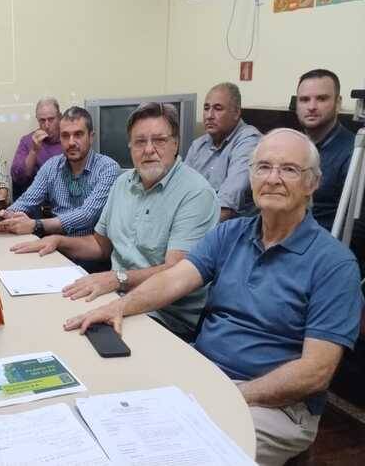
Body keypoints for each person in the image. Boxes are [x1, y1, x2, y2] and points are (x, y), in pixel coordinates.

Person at [65, 129, 363, 466]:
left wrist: (231, 396)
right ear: (251, 176)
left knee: (172, 452)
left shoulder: (335, 264)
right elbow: (173, 280)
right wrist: (118, 306)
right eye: (263, 167)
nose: (273, 179)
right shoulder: (230, 234)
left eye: (289, 169)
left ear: (313, 183)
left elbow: (315, 371)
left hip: (275, 405)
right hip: (206, 374)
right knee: (109, 406)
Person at [13, 103, 218, 340]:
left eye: (159, 140)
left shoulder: (195, 193)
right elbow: (101, 244)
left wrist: (117, 279)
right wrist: (58, 240)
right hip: (114, 298)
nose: (149, 150)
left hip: (163, 317)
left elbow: (176, 272)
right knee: (45, 323)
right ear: (130, 146)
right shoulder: (123, 184)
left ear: (176, 143)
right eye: (140, 141)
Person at [0, 106, 121, 238]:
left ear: (91, 137)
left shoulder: (108, 168)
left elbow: (87, 215)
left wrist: (36, 225)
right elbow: (27, 200)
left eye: (78, 134)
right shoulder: (52, 166)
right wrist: (5, 216)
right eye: (65, 136)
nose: (71, 142)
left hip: (88, 251)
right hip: (54, 249)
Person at [185, 82, 261, 221]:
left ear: (236, 113)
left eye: (218, 109)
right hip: (195, 222)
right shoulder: (198, 145)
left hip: (231, 230)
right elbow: (180, 193)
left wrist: (193, 235)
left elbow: (226, 206)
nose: (209, 115)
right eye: (206, 108)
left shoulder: (249, 141)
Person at [295, 68, 354, 231]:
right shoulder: (291, 147)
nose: (312, 106)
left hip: (322, 249)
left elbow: (356, 228)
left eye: (321, 99)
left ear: (338, 103)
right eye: (304, 99)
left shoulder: (354, 154)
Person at [10, 97, 64, 198]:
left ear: (59, 117)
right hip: (37, 202)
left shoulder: (68, 139)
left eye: (51, 119)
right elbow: (17, 177)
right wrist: (33, 151)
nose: (47, 125)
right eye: (42, 121)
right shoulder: (27, 141)